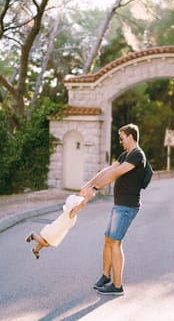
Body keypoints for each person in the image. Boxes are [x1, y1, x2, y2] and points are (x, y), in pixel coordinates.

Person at [80, 123, 148, 296]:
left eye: (122, 138)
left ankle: (117, 286)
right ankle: (105, 276)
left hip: (127, 206)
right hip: (119, 205)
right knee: (108, 239)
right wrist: (89, 184)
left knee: (116, 242)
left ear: (131, 137)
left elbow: (115, 173)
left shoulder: (137, 155)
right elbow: (108, 169)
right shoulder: (126, 154)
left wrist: (95, 189)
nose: (121, 141)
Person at [25, 194, 88, 259]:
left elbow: (79, 203)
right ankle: (33, 236)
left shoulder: (68, 211)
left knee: (45, 240)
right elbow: (81, 205)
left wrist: (84, 196)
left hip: (56, 228)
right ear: (75, 207)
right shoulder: (72, 214)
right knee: (47, 244)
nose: (79, 207)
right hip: (56, 230)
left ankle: (36, 250)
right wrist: (88, 197)